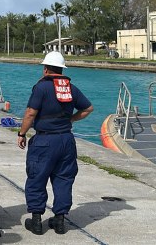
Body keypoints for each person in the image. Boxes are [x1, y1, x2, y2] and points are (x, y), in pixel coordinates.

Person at [16, 51, 93, 235]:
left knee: (37, 177)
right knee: (64, 178)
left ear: (45, 69)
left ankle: (36, 221)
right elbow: (88, 108)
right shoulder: (71, 88)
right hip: (66, 140)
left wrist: (22, 133)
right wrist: (70, 120)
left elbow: (30, 113)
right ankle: (59, 221)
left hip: (44, 140)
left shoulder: (41, 87)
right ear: (61, 69)